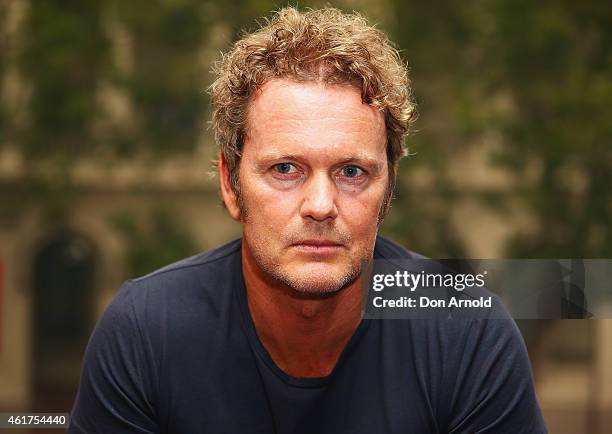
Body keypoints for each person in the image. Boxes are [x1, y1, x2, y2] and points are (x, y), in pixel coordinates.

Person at [67, 7, 547, 433]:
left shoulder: (466, 329)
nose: (321, 204)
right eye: (285, 169)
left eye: (352, 172)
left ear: (389, 189)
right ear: (230, 185)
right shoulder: (146, 329)